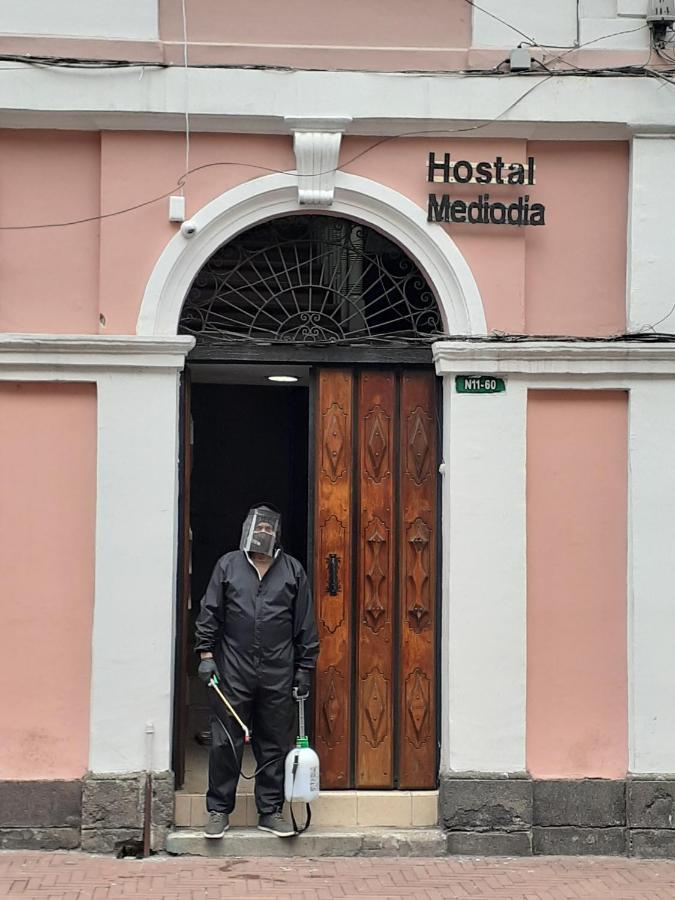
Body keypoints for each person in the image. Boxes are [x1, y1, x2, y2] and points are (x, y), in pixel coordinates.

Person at [194, 503, 319, 838]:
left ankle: (271, 811)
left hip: (279, 670)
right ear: (247, 529)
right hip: (233, 668)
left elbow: (305, 623)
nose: (263, 533)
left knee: (274, 743)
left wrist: (304, 667)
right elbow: (210, 611)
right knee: (225, 742)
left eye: (269, 529)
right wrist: (206, 655)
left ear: (277, 533)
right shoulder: (228, 566)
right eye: (258, 528)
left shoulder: (292, 571)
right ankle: (219, 810)